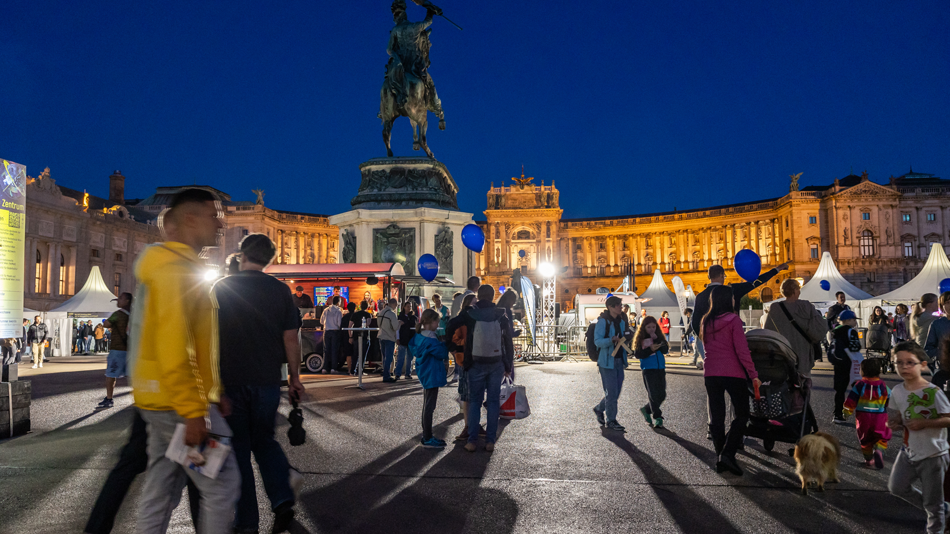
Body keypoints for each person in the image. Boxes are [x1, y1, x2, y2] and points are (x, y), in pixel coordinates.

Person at [129, 188, 240, 533]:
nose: (221, 223)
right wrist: (194, 409)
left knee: (161, 487)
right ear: (190, 219)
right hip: (177, 401)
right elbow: (174, 344)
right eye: (213, 214)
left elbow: (193, 341)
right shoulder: (175, 270)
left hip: (162, 397)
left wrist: (214, 390)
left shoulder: (173, 266)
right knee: (222, 483)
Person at [212, 233, 305, 533]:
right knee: (264, 439)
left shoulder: (220, 288)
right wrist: (294, 378)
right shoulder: (280, 291)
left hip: (231, 380)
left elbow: (208, 339)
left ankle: (247, 522)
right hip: (267, 380)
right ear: (270, 260)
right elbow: (291, 338)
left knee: (237, 448)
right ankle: (281, 499)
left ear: (241, 254)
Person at [887, 342, 950, 534]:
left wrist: (925, 423)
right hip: (908, 450)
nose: (904, 367)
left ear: (922, 365)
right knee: (896, 487)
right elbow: (899, 416)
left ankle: (937, 522)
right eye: (899, 363)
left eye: (910, 362)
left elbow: (948, 419)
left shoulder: (933, 392)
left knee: (933, 506)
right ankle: (944, 508)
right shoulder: (897, 391)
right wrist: (894, 423)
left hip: (933, 453)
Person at [700, 285, 760, 476]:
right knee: (742, 415)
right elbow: (742, 350)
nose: (735, 300)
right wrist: (753, 374)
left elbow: (706, 347)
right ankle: (727, 453)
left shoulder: (705, 321)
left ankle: (721, 456)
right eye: (733, 298)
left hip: (711, 373)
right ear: (728, 300)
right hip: (733, 372)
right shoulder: (734, 320)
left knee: (717, 417)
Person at [689, 262, 788, 366]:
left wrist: (704, 338)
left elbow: (695, 322)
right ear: (722, 275)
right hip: (729, 341)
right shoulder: (732, 290)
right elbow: (757, 281)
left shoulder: (700, 296)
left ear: (709, 277)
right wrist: (777, 269)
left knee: (713, 369)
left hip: (709, 342)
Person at [459, 284, 515, 452]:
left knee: (475, 401)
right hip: (496, 362)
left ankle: (472, 440)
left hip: (475, 362)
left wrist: (456, 350)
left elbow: (451, 327)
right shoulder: (500, 314)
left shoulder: (470, 314)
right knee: (492, 402)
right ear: (492, 296)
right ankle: (490, 441)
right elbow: (508, 341)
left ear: (478, 295)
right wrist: (508, 364)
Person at [763, 279, 828, 377]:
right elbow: (820, 329)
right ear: (795, 290)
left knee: (784, 382)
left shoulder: (775, 308)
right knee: (803, 381)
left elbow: (768, 332)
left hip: (783, 354)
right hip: (802, 352)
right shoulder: (806, 306)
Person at [591, 296, 633, 433]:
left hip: (619, 360)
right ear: (611, 307)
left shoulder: (621, 321)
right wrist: (611, 340)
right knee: (612, 393)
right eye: (619, 305)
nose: (621, 307)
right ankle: (611, 420)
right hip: (606, 362)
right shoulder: (602, 322)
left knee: (615, 393)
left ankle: (599, 408)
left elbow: (624, 337)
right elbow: (597, 341)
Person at [842, 358, 892, 469]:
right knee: (882, 437)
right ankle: (879, 451)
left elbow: (851, 401)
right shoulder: (883, 385)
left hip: (863, 417)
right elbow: (890, 398)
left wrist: (846, 412)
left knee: (865, 440)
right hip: (880, 416)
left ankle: (869, 460)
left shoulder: (859, 385)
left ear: (862, 371)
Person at [410, 308, 449, 449]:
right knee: (430, 406)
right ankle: (427, 437)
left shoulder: (419, 336)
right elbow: (442, 353)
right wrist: (444, 343)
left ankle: (426, 435)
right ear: (430, 322)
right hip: (432, 373)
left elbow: (412, 346)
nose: (438, 324)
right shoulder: (432, 339)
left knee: (427, 404)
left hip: (424, 372)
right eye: (436, 321)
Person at [446, 293, 479, 442]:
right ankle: (468, 426)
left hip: (473, 358)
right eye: (474, 302)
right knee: (467, 395)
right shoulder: (461, 321)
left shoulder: (475, 318)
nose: (476, 304)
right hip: (464, 359)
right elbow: (454, 338)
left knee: (474, 395)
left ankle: (472, 425)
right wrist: (466, 342)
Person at [96, 292, 133, 410]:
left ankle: (109, 398)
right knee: (134, 375)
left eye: (121, 298)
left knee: (111, 375)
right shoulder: (135, 315)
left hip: (118, 349)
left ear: (127, 301)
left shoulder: (118, 314)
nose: (118, 300)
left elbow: (106, 324)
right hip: (132, 349)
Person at [634, 315, 669, 429]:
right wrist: (650, 350)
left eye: (653, 327)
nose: (651, 329)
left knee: (662, 394)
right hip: (648, 370)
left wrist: (659, 341)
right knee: (653, 394)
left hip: (660, 368)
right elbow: (638, 354)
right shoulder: (641, 339)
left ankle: (646, 409)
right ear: (644, 328)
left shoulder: (658, 336)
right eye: (649, 327)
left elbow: (665, 350)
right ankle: (658, 417)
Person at [830, 310, 862, 424]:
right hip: (851, 363)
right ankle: (863, 415)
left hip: (838, 363)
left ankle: (837, 414)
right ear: (848, 320)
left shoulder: (835, 330)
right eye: (854, 320)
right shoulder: (851, 331)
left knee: (840, 390)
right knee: (858, 389)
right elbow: (855, 347)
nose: (855, 322)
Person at [320, 296, 344, 375]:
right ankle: (333, 368)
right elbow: (339, 323)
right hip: (335, 332)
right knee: (334, 350)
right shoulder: (338, 311)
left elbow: (321, 321)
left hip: (326, 331)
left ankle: (325, 368)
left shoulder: (326, 310)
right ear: (338, 302)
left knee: (326, 350)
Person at [924, 292, 950, 365]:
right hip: (943, 365)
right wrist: (943, 353)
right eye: (947, 302)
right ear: (942, 306)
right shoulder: (937, 324)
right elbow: (928, 348)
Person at [378, 298, 400, 382]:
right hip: (389, 337)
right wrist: (399, 323)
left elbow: (378, 324)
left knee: (384, 357)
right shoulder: (392, 314)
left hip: (381, 336)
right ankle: (387, 376)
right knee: (389, 357)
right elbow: (395, 327)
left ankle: (385, 374)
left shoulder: (381, 312)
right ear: (394, 304)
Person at [349, 301, 373, 375]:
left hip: (356, 336)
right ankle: (360, 370)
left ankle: (352, 370)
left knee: (355, 354)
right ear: (367, 306)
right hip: (365, 336)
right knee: (363, 355)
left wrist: (350, 336)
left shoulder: (355, 314)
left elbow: (350, 326)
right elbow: (368, 323)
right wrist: (362, 327)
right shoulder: (368, 314)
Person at [396, 301, 418, 379]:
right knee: (401, 357)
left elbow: (416, 328)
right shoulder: (400, 317)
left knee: (410, 358)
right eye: (408, 306)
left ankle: (408, 373)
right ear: (404, 307)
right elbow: (397, 329)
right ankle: (398, 373)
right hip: (403, 339)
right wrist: (397, 338)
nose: (409, 308)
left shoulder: (414, 317)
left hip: (411, 339)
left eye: (410, 306)